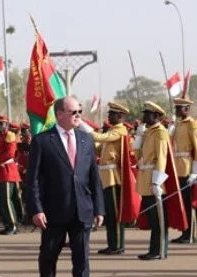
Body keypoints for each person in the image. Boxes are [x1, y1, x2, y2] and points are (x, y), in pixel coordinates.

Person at [26, 96, 105, 277]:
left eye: (79, 110)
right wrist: (36, 209)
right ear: (60, 114)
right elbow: (32, 180)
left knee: (82, 261)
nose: (78, 115)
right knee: (49, 257)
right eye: (74, 112)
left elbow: (93, 177)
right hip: (53, 212)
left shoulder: (86, 140)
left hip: (82, 210)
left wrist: (99, 208)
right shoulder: (42, 141)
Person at [134, 101, 185, 260]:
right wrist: (139, 137)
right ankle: (153, 250)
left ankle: (159, 251)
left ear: (156, 116)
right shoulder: (148, 132)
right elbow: (138, 156)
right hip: (146, 179)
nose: (143, 116)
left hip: (155, 180)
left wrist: (157, 182)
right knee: (152, 218)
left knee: (158, 219)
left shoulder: (160, 133)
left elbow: (162, 159)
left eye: (147, 114)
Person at [79, 102, 130, 254]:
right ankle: (112, 244)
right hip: (106, 177)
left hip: (114, 178)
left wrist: (82, 124)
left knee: (115, 215)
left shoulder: (120, 131)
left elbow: (100, 137)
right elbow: (99, 147)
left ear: (120, 116)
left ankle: (118, 245)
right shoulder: (114, 131)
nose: (109, 116)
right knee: (109, 214)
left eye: (111, 114)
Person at [170, 97, 197, 244]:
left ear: (186, 109)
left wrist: (195, 170)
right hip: (178, 168)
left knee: (188, 203)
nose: (176, 111)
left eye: (179, 108)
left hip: (187, 167)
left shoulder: (192, 124)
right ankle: (184, 232)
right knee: (182, 203)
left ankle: (190, 234)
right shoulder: (179, 124)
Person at [0, 115, 21, 235]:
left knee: (7, 200)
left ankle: (13, 225)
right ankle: (7, 224)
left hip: (8, 171)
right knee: (2, 201)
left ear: (7, 125)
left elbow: (10, 153)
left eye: (2, 124)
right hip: (0, 172)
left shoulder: (10, 135)